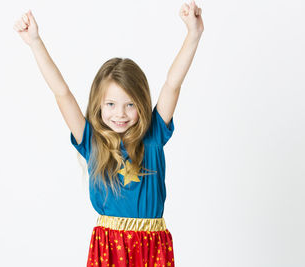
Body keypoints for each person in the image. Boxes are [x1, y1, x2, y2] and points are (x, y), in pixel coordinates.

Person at [13, 1, 203, 266]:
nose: (120, 114)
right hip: (109, 248)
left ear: (142, 103)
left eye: (130, 104)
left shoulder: (153, 136)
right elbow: (62, 92)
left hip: (152, 247)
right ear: (98, 105)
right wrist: (35, 42)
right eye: (111, 104)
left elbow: (173, 83)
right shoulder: (91, 141)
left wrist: (193, 35)